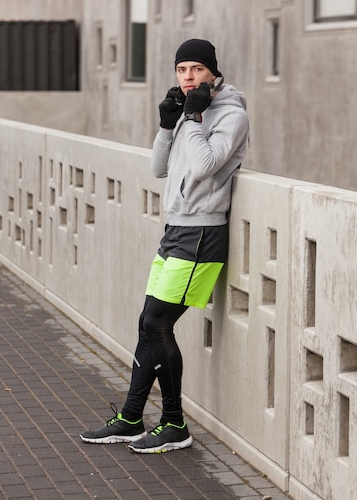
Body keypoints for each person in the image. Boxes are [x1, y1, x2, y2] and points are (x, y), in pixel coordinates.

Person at [80, 38, 249, 453]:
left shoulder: (231, 115)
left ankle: (175, 424)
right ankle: (131, 418)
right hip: (175, 229)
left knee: (157, 324)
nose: (189, 77)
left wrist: (191, 120)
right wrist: (166, 125)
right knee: (146, 324)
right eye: (181, 70)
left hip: (202, 233)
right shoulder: (189, 114)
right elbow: (158, 169)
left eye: (196, 69)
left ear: (213, 73)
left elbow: (207, 166)